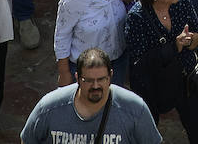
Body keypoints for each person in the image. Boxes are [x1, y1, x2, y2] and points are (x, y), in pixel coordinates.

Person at [125, 0, 198, 144]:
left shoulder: (183, 0)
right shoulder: (136, 18)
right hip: (152, 86)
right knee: (147, 134)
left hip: (184, 78)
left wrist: (192, 39)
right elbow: (140, 63)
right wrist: (175, 47)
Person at [22, 48, 161, 144]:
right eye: (88, 80)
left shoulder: (135, 109)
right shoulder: (49, 107)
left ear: (110, 76)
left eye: (101, 79)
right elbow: (27, 139)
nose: (95, 86)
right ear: (77, 78)